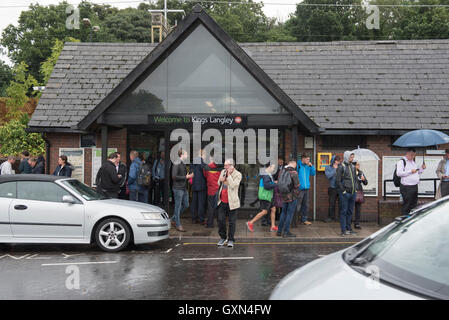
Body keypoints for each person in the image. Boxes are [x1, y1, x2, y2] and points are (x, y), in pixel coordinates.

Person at [217, 158, 242, 248]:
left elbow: (233, 185)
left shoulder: (238, 174)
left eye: (226, 165)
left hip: (232, 203)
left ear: (231, 166)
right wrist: (221, 180)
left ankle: (231, 239)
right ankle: (223, 237)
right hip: (222, 201)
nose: (224, 167)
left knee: (232, 222)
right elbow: (218, 183)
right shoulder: (223, 171)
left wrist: (228, 176)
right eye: (224, 165)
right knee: (220, 220)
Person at [246, 163, 278, 233]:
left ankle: (273, 226)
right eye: (273, 167)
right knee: (264, 211)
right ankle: (250, 222)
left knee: (273, 209)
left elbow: (268, 184)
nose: (273, 169)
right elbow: (267, 186)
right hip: (265, 196)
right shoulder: (266, 175)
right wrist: (275, 184)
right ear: (268, 167)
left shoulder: (267, 174)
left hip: (269, 196)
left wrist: (274, 182)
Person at [397, 148, 426, 215]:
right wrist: (410, 171)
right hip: (406, 187)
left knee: (413, 204)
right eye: (411, 155)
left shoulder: (413, 162)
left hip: (414, 186)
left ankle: (411, 218)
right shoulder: (401, 162)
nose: (413, 157)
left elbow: (417, 172)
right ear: (407, 153)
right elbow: (398, 173)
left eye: (414, 155)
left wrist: (422, 168)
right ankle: (405, 219)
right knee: (407, 204)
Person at [277, 159, 300, 238]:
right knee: (289, 213)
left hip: (283, 195)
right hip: (291, 196)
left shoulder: (281, 171)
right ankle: (286, 232)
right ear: (293, 164)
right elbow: (296, 185)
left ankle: (279, 231)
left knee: (283, 212)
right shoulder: (294, 172)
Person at [336, 151, 358, 237]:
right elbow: (338, 180)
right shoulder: (341, 167)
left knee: (350, 211)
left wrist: (355, 189)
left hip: (352, 193)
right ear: (346, 157)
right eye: (351, 157)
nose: (352, 159)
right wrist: (343, 191)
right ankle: (343, 230)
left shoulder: (353, 166)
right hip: (345, 193)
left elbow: (355, 179)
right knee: (343, 212)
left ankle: (349, 228)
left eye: (352, 157)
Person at [171, 149, 192, 232]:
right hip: (178, 188)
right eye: (186, 154)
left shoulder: (183, 163)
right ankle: (178, 224)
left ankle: (173, 219)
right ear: (182, 155)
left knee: (186, 205)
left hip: (184, 188)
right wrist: (186, 177)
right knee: (178, 206)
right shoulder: (177, 163)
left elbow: (182, 175)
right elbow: (174, 176)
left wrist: (188, 176)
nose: (187, 155)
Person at [295, 154, 316, 226]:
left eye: (309, 159)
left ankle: (304, 219)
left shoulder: (308, 166)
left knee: (306, 205)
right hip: (299, 189)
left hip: (306, 188)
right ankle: (295, 219)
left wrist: (311, 166)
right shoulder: (298, 165)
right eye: (307, 159)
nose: (308, 161)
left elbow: (313, 173)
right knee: (298, 204)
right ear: (303, 159)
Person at [204, 157, 223, 228]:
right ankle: (220, 223)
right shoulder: (221, 168)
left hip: (210, 190)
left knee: (210, 207)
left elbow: (205, 176)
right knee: (219, 208)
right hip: (218, 190)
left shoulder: (207, 168)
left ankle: (210, 224)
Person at [191, 149, 208, 224]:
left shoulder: (193, 162)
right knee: (201, 203)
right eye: (205, 154)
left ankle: (194, 218)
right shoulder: (202, 163)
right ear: (202, 154)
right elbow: (206, 172)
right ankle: (201, 219)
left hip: (194, 185)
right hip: (201, 185)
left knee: (194, 203)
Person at [324, 155, 341, 222]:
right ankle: (331, 217)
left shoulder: (341, 167)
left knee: (341, 204)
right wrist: (334, 169)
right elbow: (328, 176)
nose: (338, 162)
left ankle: (340, 218)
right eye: (336, 161)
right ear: (333, 161)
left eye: (339, 161)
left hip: (340, 188)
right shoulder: (328, 167)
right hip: (332, 188)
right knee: (331, 203)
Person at [354, 161, 368, 229]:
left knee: (358, 209)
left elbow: (366, 183)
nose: (358, 166)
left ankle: (357, 223)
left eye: (359, 165)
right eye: (357, 165)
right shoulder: (351, 172)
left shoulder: (361, 172)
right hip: (352, 191)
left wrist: (364, 179)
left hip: (359, 192)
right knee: (350, 208)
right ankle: (348, 223)